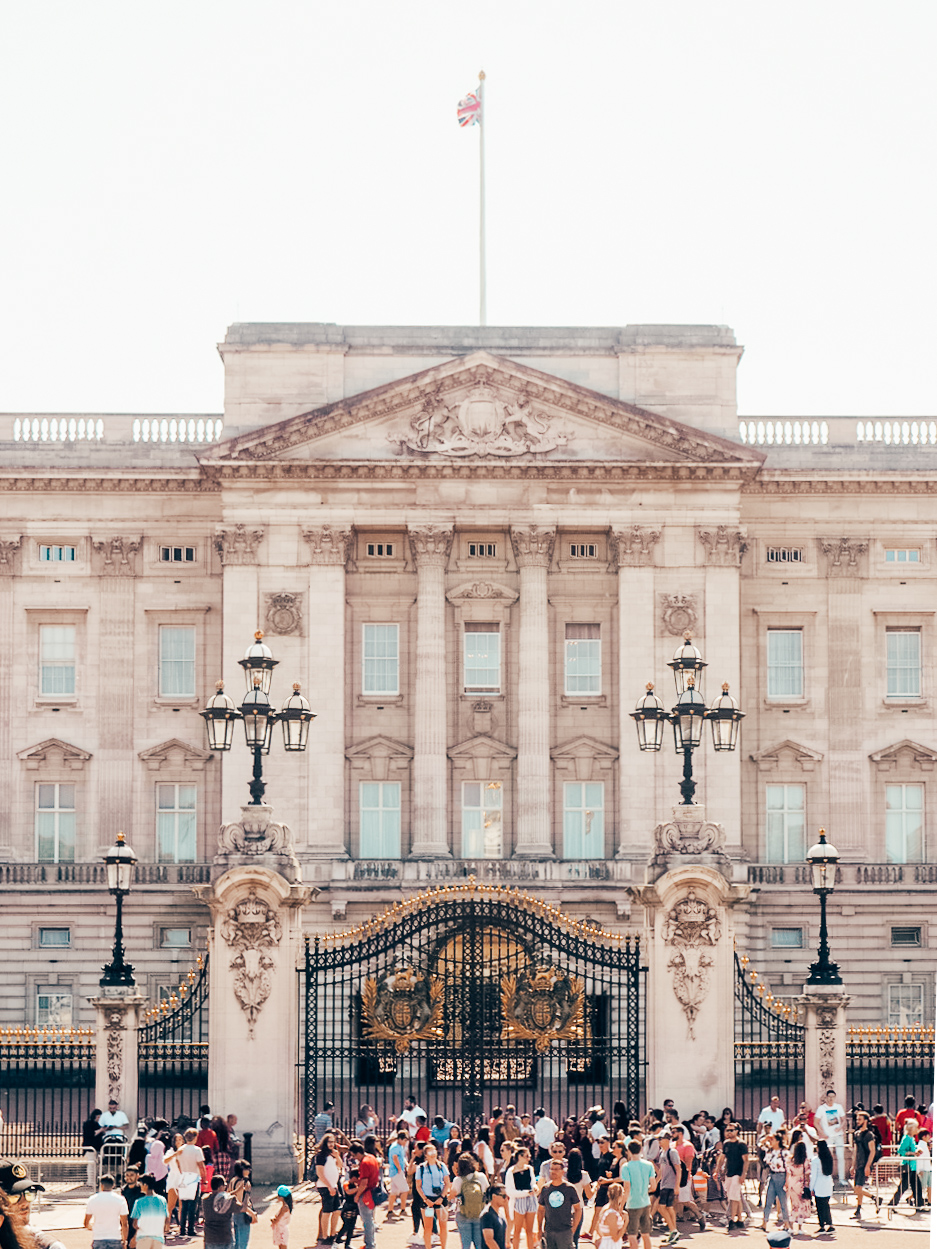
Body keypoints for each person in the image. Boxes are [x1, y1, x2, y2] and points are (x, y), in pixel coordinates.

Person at [619, 1140, 655, 1249]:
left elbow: (627, 1188)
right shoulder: (649, 1165)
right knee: (646, 1234)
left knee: (632, 1235)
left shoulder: (626, 1167)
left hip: (632, 1204)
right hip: (645, 1202)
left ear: (628, 1151)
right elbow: (653, 1186)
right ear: (641, 1150)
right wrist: (643, 1190)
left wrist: (620, 1207)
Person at [537, 1159, 580, 1249]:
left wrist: (573, 1228)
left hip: (565, 1231)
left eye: (556, 1169)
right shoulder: (545, 1188)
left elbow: (578, 1209)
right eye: (551, 1169)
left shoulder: (569, 1188)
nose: (553, 1172)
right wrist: (539, 1229)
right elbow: (540, 1210)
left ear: (562, 1171)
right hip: (549, 1231)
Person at [415, 1142, 451, 1249]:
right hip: (427, 1200)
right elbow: (418, 1186)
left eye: (434, 1151)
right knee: (428, 1227)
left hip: (440, 1199)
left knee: (443, 1225)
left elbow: (447, 1183)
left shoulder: (442, 1166)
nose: (433, 1154)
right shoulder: (421, 1168)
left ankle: (443, 1247)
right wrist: (425, 1199)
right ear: (425, 1155)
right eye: (430, 1152)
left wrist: (442, 1197)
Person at [452, 1153, 488, 1249]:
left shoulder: (457, 1180)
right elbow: (486, 1192)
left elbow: (453, 1196)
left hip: (462, 1213)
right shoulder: (481, 1177)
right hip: (479, 1212)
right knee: (479, 1244)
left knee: (466, 1244)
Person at [715, 1123, 747, 1230]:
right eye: (727, 1130)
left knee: (733, 1197)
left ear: (737, 1131)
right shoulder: (726, 1143)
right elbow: (722, 1158)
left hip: (737, 1173)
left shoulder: (741, 1144)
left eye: (731, 1130)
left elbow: (746, 1161)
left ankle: (732, 1220)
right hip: (729, 1172)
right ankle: (740, 1220)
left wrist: (743, 1175)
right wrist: (717, 1170)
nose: (729, 1132)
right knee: (734, 1196)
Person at [84, 1173, 129, 1249]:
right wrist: (124, 1240)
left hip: (98, 1238)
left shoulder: (92, 1199)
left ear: (101, 1185)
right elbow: (124, 1223)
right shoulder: (121, 1199)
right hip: (115, 1237)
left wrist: (94, 1228)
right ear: (113, 1185)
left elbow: (86, 1223)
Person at [505, 1146, 537, 1249]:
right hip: (518, 1201)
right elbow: (510, 1191)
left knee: (529, 1230)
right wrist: (526, 1193)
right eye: (527, 1156)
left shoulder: (529, 1169)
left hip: (530, 1200)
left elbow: (532, 1182)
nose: (528, 1158)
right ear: (520, 1156)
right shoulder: (511, 1171)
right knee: (517, 1230)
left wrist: (535, 1187)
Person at [350, 1140, 380, 1249]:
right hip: (373, 1191)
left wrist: (357, 1195)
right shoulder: (371, 1157)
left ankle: (370, 1245)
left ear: (358, 1153)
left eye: (354, 1155)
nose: (354, 1158)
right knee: (370, 1219)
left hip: (366, 1193)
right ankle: (369, 1242)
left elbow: (364, 1183)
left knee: (367, 1221)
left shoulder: (364, 1163)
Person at [759, 1134, 792, 1232]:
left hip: (781, 1176)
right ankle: (764, 1222)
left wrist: (787, 1181)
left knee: (783, 1201)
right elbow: (760, 1145)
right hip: (772, 1175)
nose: (771, 1141)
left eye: (772, 1140)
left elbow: (788, 1167)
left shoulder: (784, 1152)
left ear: (778, 1141)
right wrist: (766, 1138)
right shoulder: (770, 1151)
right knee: (768, 1199)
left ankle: (786, 1223)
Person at [851, 1109, 879, 1219]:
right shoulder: (856, 1134)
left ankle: (874, 1198)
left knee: (858, 1188)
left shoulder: (869, 1135)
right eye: (857, 1119)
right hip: (858, 1163)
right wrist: (853, 1165)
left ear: (866, 1120)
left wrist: (868, 1165)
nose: (857, 1121)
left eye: (860, 1119)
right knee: (858, 1188)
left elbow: (872, 1151)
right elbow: (855, 1150)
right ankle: (859, 1209)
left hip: (864, 1163)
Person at [814, 1090, 847, 1186]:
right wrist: (822, 1133)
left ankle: (842, 1178)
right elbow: (816, 1122)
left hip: (838, 1135)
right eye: (829, 1096)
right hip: (828, 1136)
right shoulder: (821, 1108)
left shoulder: (838, 1107)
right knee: (829, 1157)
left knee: (841, 1157)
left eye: (833, 1096)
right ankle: (829, 1178)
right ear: (826, 1097)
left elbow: (844, 1120)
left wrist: (840, 1128)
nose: (831, 1098)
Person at [315, 1133, 343, 1243]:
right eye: (329, 1142)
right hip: (325, 1186)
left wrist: (337, 1156)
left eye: (333, 1142)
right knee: (327, 1211)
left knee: (337, 1210)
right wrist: (329, 1186)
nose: (331, 1144)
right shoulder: (321, 1156)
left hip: (334, 1186)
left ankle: (333, 1233)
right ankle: (325, 1236)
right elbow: (320, 1173)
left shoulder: (332, 1154)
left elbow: (340, 1165)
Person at [129, 1174, 169, 1249]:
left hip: (143, 1237)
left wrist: (134, 1237)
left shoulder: (139, 1202)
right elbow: (167, 1219)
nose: (140, 1186)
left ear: (145, 1185)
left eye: (141, 1184)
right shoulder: (162, 1200)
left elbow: (135, 1224)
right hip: (158, 1238)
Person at [202, 1174, 240, 1249]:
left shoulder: (205, 1200)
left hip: (209, 1238)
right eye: (224, 1185)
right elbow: (240, 1208)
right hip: (224, 1237)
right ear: (220, 1187)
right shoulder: (227, 1201)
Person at [228, 1161, 256, 1249]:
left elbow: (229, 1194)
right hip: (243, 1213)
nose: (249, 1170)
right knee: (243, 1242)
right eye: (247, 1168)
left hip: (234, 1213)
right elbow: (241, 1202)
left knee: (236, 1242)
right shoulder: (243, 1182)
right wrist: (252, 1214)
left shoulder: (233, 1180)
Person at [785, 1139, 810, 1234]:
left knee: (794, 1206)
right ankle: (799, 1228)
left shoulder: (790, 1160)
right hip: (801, 1183)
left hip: (792, 1182)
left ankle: (791, 1227)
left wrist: (787, 1183)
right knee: (801, 1206)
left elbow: (788, 1173)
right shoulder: (805, 1161)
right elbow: (807, 1174)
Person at [811, 1140, 835, 1233]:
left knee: (820, 1207)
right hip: (828, 1183)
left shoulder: (815, 1160)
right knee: (826, 1205)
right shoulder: (829, 1158)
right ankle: (830, 1224)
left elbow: (813, 1176)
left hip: (819, 1184)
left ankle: (822, 1225)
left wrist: (811, 1188)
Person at [386, 1129, 410, 1221]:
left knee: (394, 1192)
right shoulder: (395, 1147)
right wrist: (400, 1169)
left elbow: (401, 1158)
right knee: (405, 1190)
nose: (405, 1142)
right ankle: (403, 1209)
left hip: (396, 1172)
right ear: (400, 1139)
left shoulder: (399, 1147)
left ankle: (390, 1210)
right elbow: (395, 1158)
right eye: (404, 1140)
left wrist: (406, 1165)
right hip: (396, 1172)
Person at [594, 1183, 624, 1249]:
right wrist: (625, 1222)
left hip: (607, 1244)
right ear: (621, 1195)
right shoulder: (611, 1214)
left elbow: (597, 1228)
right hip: (611, 1245)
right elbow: (615, 1238)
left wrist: (604, 1237)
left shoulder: (605, 1209)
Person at [481, 1183, 508, 1249]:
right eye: (504, 1196)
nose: (506, 1199)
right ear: (494, 1197)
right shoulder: (487, 1216)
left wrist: (506, 1207)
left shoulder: (500, 1214)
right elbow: (489, 1240)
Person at [122, 1169, 144, 1249]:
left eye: (131, 1175)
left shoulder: (142, 1190)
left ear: (137, 1176)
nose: (129, 1178)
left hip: (139, 1224)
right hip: (127, 1224)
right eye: (127, 1175)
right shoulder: (123, 1190)